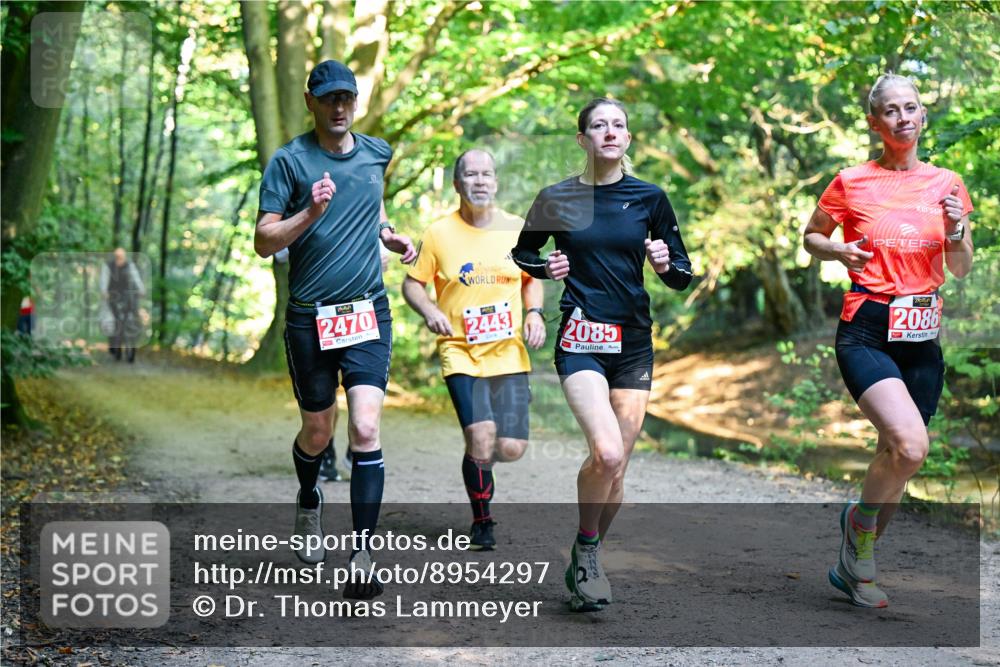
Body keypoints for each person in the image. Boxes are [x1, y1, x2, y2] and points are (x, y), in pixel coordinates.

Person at [511, 98, 692, 611]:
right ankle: (588, 550)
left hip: (633, 342)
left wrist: (663, 263)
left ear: (628, 139)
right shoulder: (558, 198)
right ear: (583, 139)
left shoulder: (651, 198)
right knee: (607, 452)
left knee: (618, 468)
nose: (609, 132)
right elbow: (523, 252)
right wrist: (548, 269)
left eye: (618, 125)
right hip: (580, 337)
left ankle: (586, 553)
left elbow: (683, 273)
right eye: (598, 125)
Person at [803, 73, 974, 608]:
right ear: (875, 123)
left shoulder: (948, 184)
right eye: (892, 110)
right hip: (868, 328)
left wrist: (955, 231)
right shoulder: (852, 181)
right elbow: (811, 237)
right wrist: (838, 253)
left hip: (922, 334)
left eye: (912, 107)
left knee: (897, 459)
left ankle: (855, 565)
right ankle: (859, 528)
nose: (904, 117)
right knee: (910, 445)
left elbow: (961, 267)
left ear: (923, 116)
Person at [253, 60, 416, 600]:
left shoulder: (376, 153)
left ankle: (364, 553)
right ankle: (308, 500)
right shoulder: (289, 161)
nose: (339, 107)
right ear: (311, 102)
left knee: (365, 430)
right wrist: (311, 212)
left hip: (367, 313)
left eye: (347, 97)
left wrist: (389, 234)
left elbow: (373, 208)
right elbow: (264, 240)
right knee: (319, 433)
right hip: (310, 317)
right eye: (329, 99)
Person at [403, 149, 546, 550]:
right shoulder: (438, 234)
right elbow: (412, 284)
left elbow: (532, 277)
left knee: (511, 448)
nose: (480, 180)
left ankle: (478, 458)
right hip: (460, 351)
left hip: (508, 352)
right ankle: (482, 521)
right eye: (471, 174)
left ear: (495, 182)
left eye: (486, 174)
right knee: (480, 435)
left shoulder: (518, 229)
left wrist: (534, 313)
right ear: (457, 184)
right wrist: (430, 310)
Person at [99, 248, 145, 362]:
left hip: (127, 294)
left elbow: (136, 278)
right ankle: (114, 345)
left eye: (121, 256)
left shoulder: (130, 265)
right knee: (113, 319)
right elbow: (104, 280)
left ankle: (132, 338)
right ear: (115, 257)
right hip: (112, 295)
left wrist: (141, 289)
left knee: (133, 315)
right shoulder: (108, 266)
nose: (119, 258)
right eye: (117, 256)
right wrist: (104, 291)